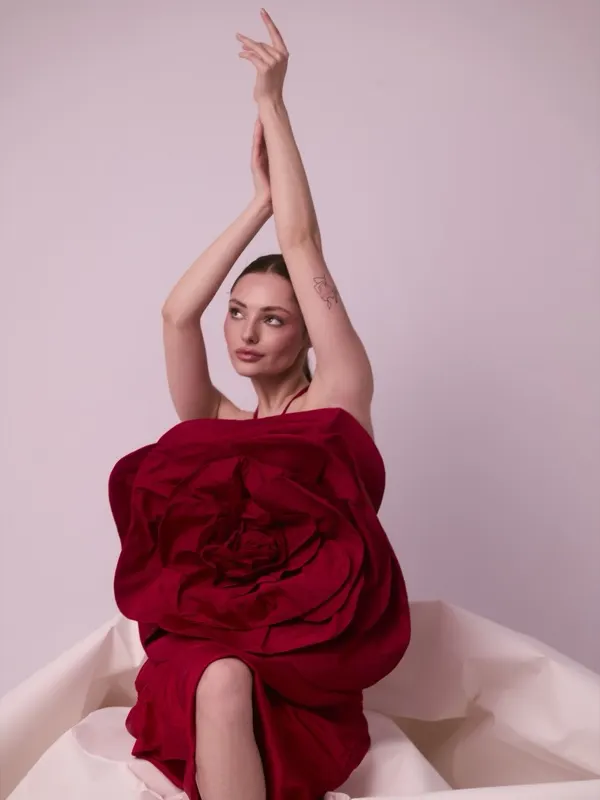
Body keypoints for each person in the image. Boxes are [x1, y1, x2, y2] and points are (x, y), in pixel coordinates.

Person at [109, 10, 411, 800]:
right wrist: (254, 206)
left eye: (273, 319)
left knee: (227, 678)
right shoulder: (213, 423)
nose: (246, 333)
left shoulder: (338, 396)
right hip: (213, 641)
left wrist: (272, 103)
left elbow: (303, 244)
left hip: (304, 651)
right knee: (215, 675)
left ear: (309, 330)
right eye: (238, 313)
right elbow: (176, 314)